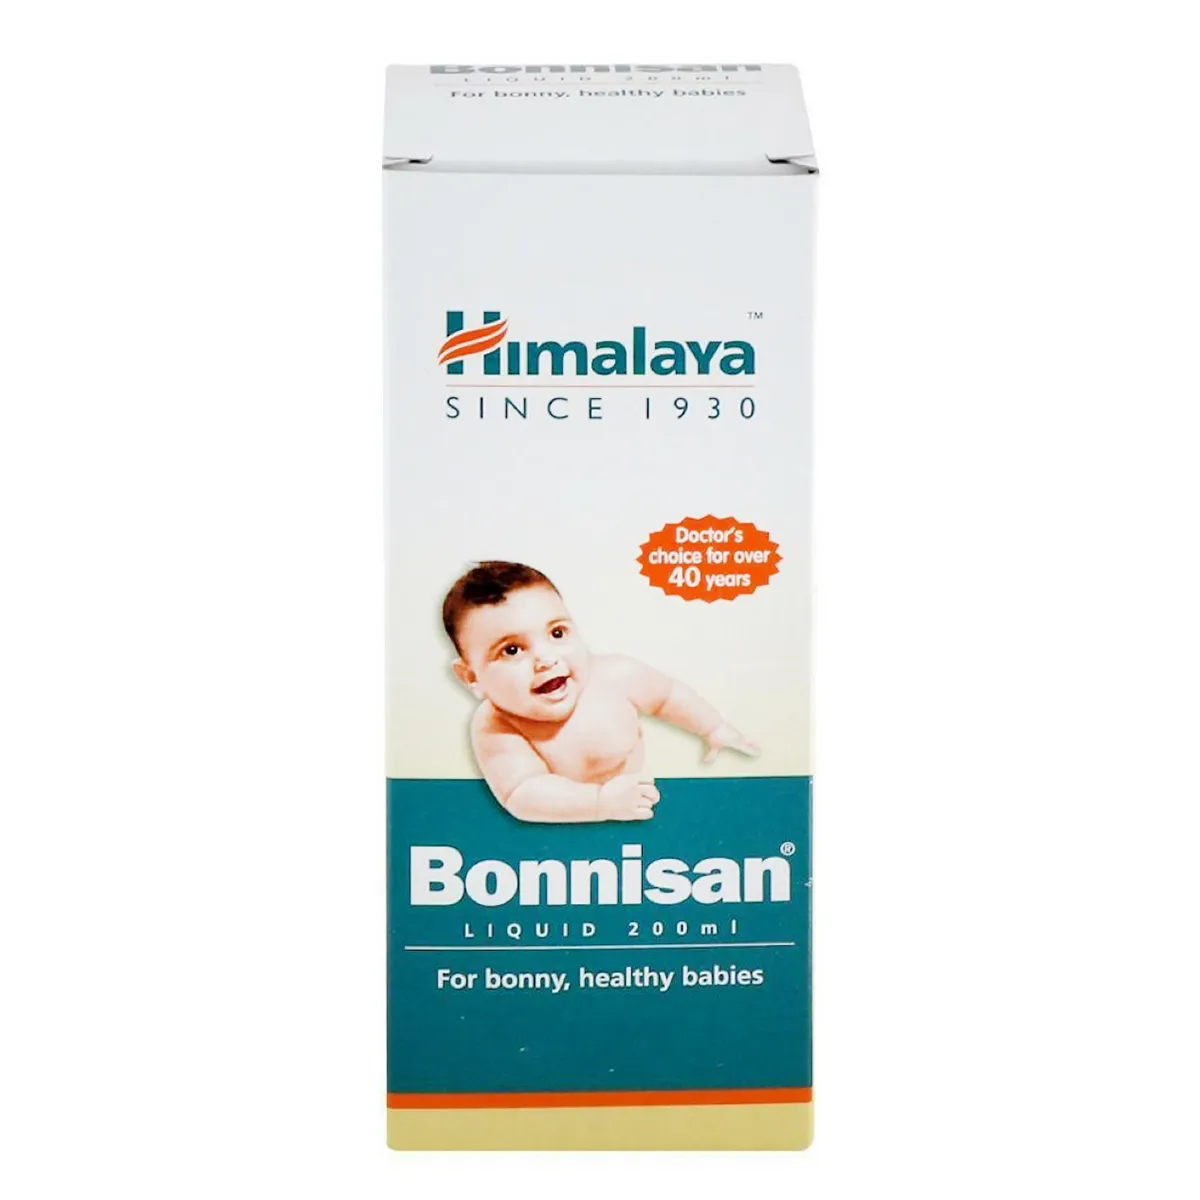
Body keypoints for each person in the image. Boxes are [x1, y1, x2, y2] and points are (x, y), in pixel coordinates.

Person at [443, 561, 758, 822]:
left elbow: (668, 696)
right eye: (512, 650)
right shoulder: (496, 726)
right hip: (564, 830)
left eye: (557, 633)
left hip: (640, 801)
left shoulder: (616, 676)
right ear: (471, 677)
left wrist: (712, 727)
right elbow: (522, 792)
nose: (546, 659)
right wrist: (600, 803)